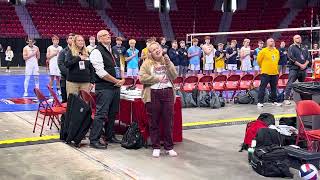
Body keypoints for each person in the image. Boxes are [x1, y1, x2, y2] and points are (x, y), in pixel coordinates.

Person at [139, 42, 178, 157]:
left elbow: (174, 75)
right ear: (150, 52)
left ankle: (169, 147)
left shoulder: (166, 60)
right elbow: (142, 78)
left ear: (161, 49)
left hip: (168, 93)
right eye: (153, 49)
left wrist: (168, 62)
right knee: (153, 121)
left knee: (168, 121)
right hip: (153, 94)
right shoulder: (146, 63)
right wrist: (156, 78)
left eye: (158, 48)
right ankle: (156, 146)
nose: (157, 50)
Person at [89, 30, 125, 149]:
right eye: (104, 35)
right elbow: (101, 73)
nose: (108, 36)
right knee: (101, 114)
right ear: (99, 39)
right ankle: (94, 139)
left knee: (113, 113)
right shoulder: (96, 52)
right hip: (104, 88)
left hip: (115, 87)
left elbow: (120, 66)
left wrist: (122, 78)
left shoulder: (113, 50)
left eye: (108, 34)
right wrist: (116, 81)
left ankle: (110, 135)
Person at [284, 35, 311, 105]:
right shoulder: (291, 47)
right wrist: (300, 65)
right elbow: (291, 58)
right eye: (297, 38)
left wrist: (305, 65)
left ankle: (304, 99)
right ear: (294, 39)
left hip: (303, 69)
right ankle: (286, 99)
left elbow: (308, 57)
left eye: (299, 37)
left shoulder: (304, 47)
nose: (299, 39)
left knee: (303, 85)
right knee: (290, 84)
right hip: (294, 69)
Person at [256, 38, 282, 108]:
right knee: (262, 87)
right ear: (267, 43)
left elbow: (277, 60)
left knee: (274, 88)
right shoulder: (263, 51)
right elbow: (258, 61)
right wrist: (264, 67)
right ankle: (260, 102)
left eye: (273, 41)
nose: (272, 42)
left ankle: (274, 101)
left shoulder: (276, 51)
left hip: (274, 73)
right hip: (265, 73)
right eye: (271, 41)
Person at [58, 33, 75, 103]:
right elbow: (61, 65)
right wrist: (70, 74)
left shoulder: (79, 51)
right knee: (65, 101)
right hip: (65, 79)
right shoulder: (63, 51)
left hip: (76, 80)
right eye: (71, 38)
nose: (72, 40)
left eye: (74, 38)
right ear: (67, 40)